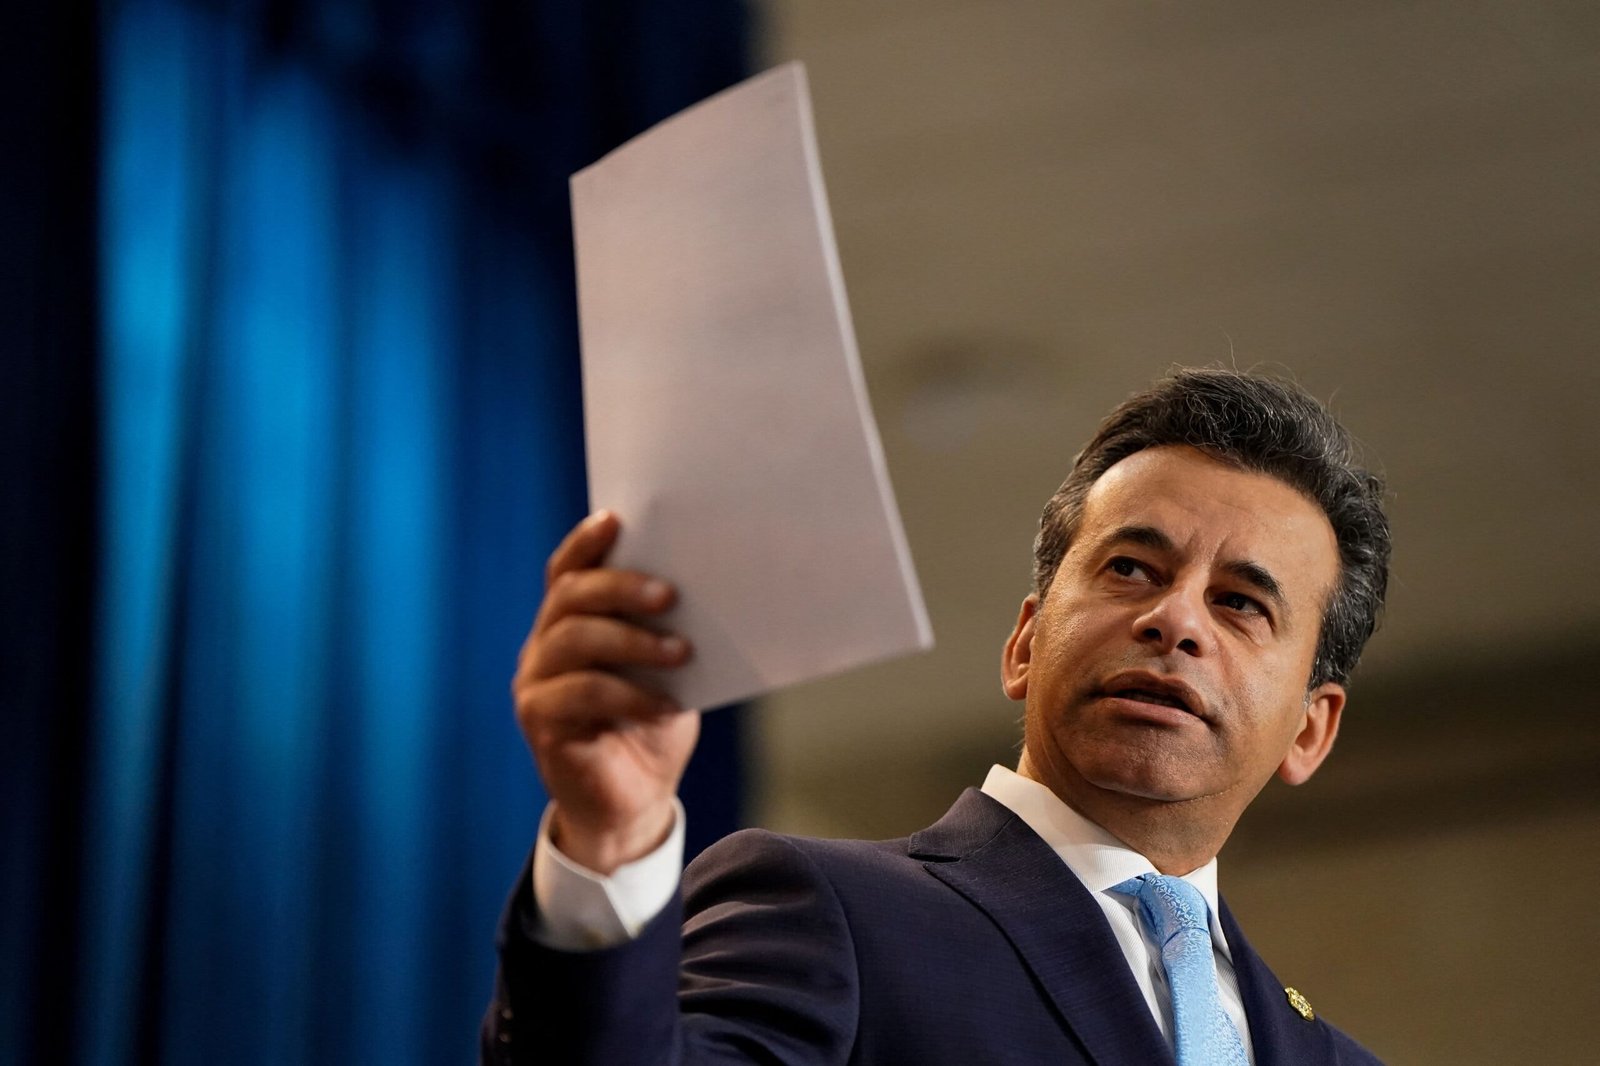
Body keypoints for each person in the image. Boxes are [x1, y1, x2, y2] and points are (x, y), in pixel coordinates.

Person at [481, 367, 1390, 1065]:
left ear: (1311, 729)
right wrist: (613, 837)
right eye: (1130, 569)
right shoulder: (832, 910)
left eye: (1240, 603)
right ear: (1024, 643)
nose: (1175, 618)